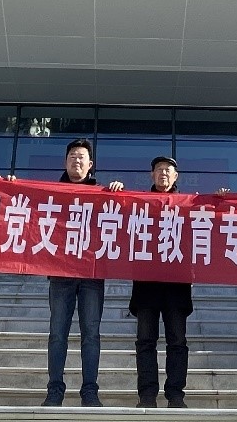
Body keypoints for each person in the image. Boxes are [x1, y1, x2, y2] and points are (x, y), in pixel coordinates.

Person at [43, 138, 124, 407]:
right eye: (72, 157)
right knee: (57, 334)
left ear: (90, 165)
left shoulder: (103, 194)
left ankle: (90, 391)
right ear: (65, 162)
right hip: (60, 273)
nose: (76, 161)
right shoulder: (50, 192)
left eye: (81, 157)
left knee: (91, 334)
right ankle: (54, 390)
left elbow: (122, 219)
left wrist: (118, 194)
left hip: (91, 273)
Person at [130, 155, 192, 409]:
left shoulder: (189, 206)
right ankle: (147, 394)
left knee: (177, 342)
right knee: (145, 341)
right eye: (159, 169)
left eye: (168, 170)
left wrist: (221, 199)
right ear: (151, 175)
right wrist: (115, 191)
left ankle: (175, 394)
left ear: (176, 176)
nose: (163, 173)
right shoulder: (140, 204)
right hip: (146, 286)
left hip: (177, 287)